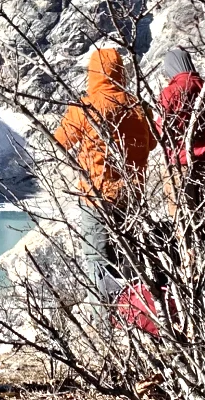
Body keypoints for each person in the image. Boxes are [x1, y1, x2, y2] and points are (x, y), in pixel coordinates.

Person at [54, 46, 156, 298]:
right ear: (120, 72)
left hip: (97, 196)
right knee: (128, 256)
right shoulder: (139, 105)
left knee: (98, 260)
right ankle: (140, 314)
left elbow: (60, 140)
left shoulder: (86, 107)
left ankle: (106, 322)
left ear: (94, 73)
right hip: (132, 195)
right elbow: (153, 143)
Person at [156, 47, 205, 235]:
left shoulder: (170, 93)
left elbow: (161, 132)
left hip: (180, 165)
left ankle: (190, 262)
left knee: (183, 224)